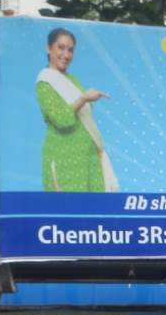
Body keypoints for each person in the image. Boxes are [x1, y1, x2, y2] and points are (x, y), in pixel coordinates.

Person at [35, 27, 119, 192]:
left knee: (96, 213)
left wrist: (86, 99)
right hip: (65, 160)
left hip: (89, 158)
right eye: (61, 47)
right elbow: (63, 120)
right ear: (48, 48)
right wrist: (84, 98)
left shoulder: (72, 79)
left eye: (70, 50)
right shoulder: (44, 83)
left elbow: (84, 116)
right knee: (68, 213)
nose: (65, 55)